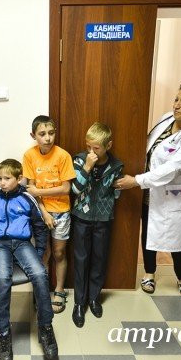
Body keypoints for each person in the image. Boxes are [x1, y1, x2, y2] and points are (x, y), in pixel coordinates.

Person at [114, 75, 181, 300]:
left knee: (179, 238)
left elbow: (172, 168)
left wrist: (136, 180)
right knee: (148, 229)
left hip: (177, 193)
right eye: (176, 99)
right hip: (151, 189)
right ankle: (149, 273)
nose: (177, 105)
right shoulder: (166, 119)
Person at [0, 159, 58, 360]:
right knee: (1, 279)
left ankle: (45, 327)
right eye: (0, 178)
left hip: (22, 244)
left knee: (40, 274)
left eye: (7, 178)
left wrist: (39, 253)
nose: (2, 182)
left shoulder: (27, 199)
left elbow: (39, 227)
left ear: (19, 178)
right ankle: (4, 334)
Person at [70, 123, 124, 327]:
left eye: (96, 148)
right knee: (81, 260)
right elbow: (75, 189)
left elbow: (116, 194)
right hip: (81, 218)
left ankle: (94, 298)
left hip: (103, 219)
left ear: (108, 145)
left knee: (99, 260)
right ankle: (79, 302)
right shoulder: (79, 160)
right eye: (88, 146)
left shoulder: (116, 166)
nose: (91, 151)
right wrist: (87, 167)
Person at [22, 115, 76, 313]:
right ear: (33, 135)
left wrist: (40, 192)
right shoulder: (29, 155)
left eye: (51, 133)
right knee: (44, 253)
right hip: (40, 211)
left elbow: (66, 188)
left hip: (61, 211)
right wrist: (44, 212)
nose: (47, 138)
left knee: (59, 252)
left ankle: (60, 290)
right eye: (42, 134)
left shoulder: (63, 155)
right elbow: (30, 189)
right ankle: (43, 291)